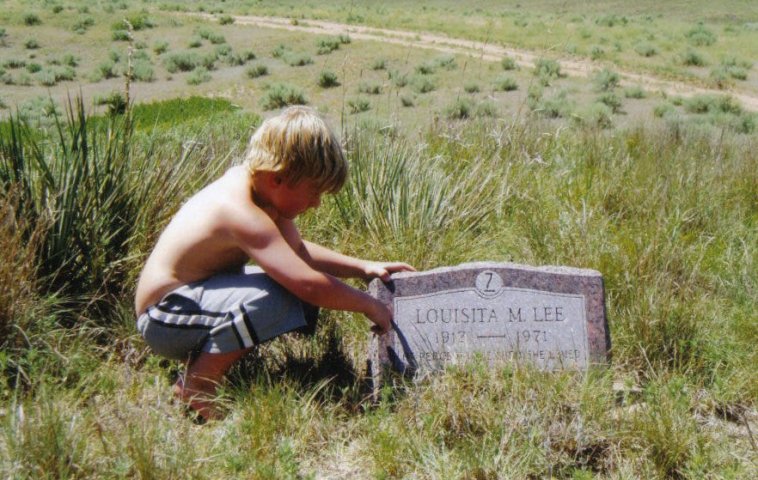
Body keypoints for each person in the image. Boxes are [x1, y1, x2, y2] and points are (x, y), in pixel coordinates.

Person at [134, 106, 414, 420]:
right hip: (163, 319)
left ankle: (211, 366)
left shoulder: (259, 191)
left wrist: (362, 267)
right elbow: (306, 282)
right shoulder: (239, 210)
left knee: (292, 288)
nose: (316, 204)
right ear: (278, 177)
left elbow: (297, 254)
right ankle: (198, 385)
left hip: (188, 304)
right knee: (283, 294)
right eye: (313, 191)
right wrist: (368, 304)